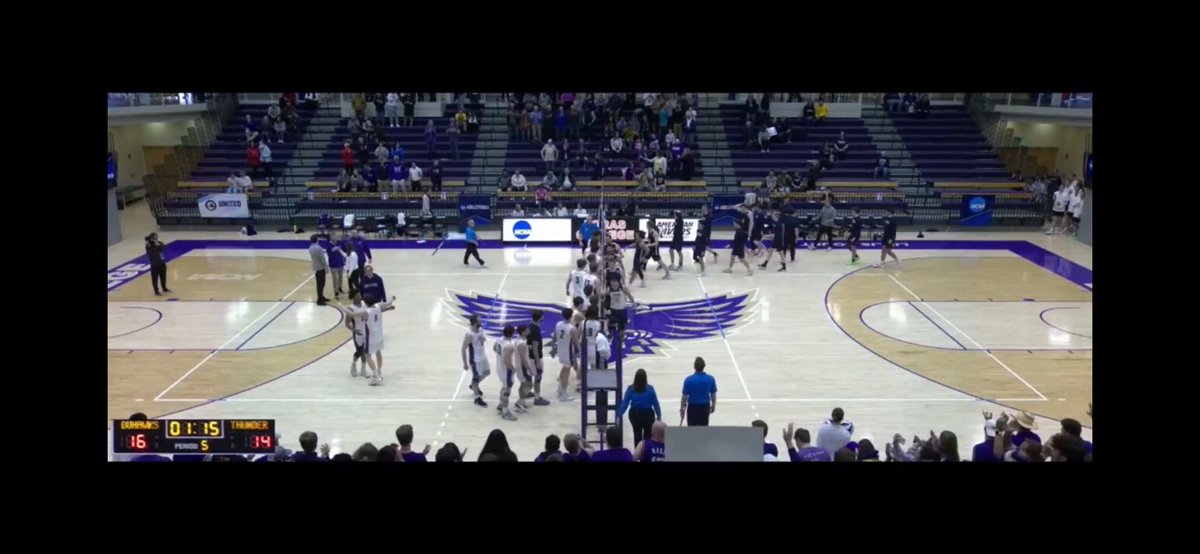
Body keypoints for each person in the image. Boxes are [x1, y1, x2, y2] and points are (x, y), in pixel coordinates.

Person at [331, 295, 397, 386]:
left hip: (371, 337)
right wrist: (392, 298)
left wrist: (341, 306)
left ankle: (375, 375)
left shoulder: (366, 312)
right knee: (378, 353)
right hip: (380, 335)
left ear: (365, 303)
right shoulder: (378, 306)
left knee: (367, 355)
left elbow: (352, 314)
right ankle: (379, 371)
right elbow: (389, 303)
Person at [461, 314, 491, 408]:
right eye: (479, 320)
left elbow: (482, 339)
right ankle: (477, 398)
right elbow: (463, 348)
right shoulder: (469, 334)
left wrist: (483, 339)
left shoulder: (480, 329)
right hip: (475, 359)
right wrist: (465, 363)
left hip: (482, 356)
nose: (481, 321)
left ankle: (474, 385)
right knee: (476, 377)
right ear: (474, 323)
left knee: (487, 372)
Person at [679, 357, 717, 427]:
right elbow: (713, 395)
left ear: (694, 367)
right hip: (705, 407)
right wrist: (713, 405)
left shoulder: (688, 380)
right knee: (703, 429)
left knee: (692, 429)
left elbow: (684, 397)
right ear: (704, 366)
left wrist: (682, 409)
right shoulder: (710, 379)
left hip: (693, 407)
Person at [552, 307, 579, 402]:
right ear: (571, 316)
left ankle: (560, 389)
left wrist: (553, 349)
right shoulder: (572, 328)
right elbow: (576, 343)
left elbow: (555, 337)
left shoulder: (558, 324)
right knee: (567, 373)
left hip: (561, 351)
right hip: (569, 353)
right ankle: (563, 393)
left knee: (564, 368)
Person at [526, 310, 551, 406]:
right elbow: (535, 347)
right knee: (538, 376)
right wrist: (538, 362)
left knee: (529, 375)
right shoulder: (536, 330)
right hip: (535, 357)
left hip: (529, 356)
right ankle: (537, 397)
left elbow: (528, 343)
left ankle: (527, 392)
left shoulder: (530, 326)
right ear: (540, 318)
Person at [343, 291, 371, 379]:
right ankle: (353, 364)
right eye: (358, 295)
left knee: (365, 351)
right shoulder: (350, 308)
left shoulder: (364, 304)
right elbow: (347, 323)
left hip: (365, 330)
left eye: (360, 294)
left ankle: (363, 369)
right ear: (354, 297)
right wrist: (354, 330)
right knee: (359, 351)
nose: (360, 296)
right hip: (358, 332)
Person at [496, 325, 520, 421]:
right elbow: (507, 361)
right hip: (506, 371)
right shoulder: (509, 346)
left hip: (499, 368)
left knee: (504, 386)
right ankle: (505, 412)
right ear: (513, 333)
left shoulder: (499, 340)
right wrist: (513, 369)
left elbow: (495, 349)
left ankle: (501, 404)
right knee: (507, 390)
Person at [724, 207, 754, 276]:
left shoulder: (740, 231)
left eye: (734, 223)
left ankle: (750, 269)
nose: (733, 224)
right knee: (732, 256)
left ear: (737, 224)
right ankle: (730, 269)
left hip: (738, 246)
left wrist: (729, 245)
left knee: (741, 259)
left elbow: (736, 241)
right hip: (737, 245)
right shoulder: (739, 230)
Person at [308, 234, 331, 305]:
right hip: (321, 268)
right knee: (321, 284)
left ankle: (321, 296)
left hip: (316, 267)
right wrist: (326, 269)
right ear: (317, 240)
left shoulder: (310, 247)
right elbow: (323, 260)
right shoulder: (318, 248)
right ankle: (319, 299)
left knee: (319, 284)